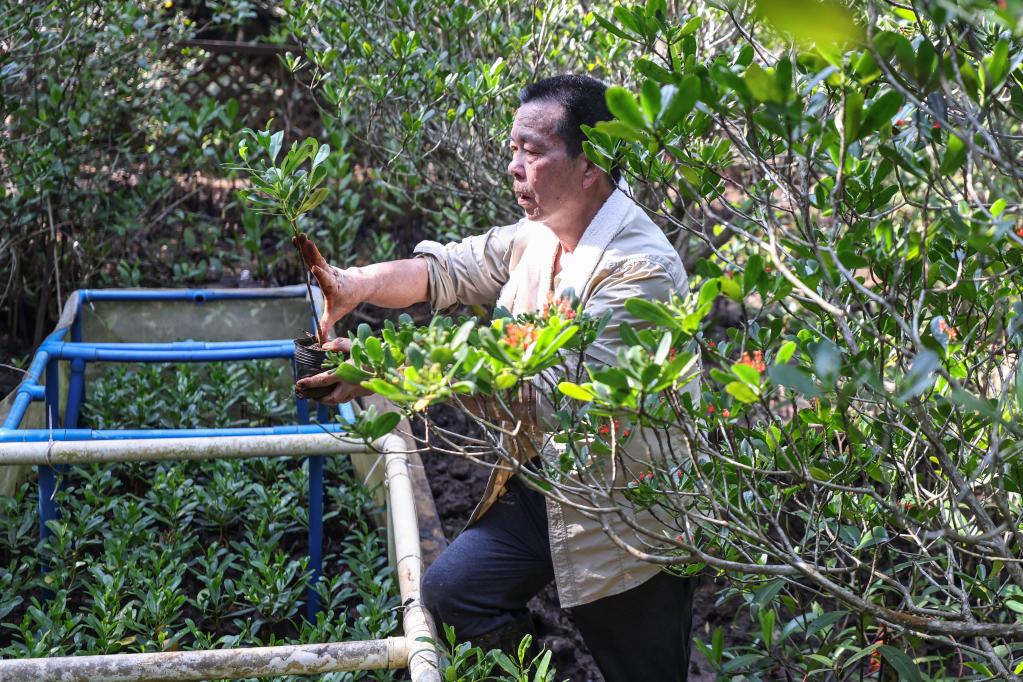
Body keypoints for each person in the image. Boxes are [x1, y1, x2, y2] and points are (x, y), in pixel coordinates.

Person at [295, 74, 695, 682]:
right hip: (543, 483)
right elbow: (450, 269)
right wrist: (357, 284)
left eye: (531, 151)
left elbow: (551, 400)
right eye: (512, 148)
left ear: (590, 166)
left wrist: (380, 369)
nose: (514, 166)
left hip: (623, 509)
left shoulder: (639, 270)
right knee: (454, 594)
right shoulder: (544, 232)